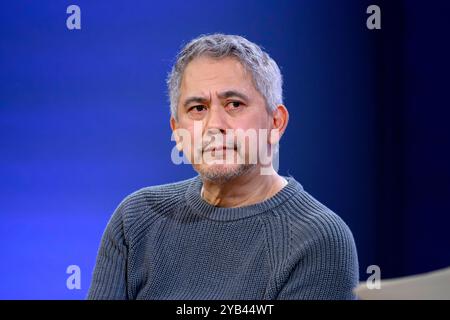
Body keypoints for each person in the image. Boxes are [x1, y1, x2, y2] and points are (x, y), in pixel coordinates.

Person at [87, 33, 359, 300]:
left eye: (234, 104)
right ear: (177, 131)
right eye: (198, 108)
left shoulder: (318, 239)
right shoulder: (137, 218)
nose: (214, 125)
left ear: (276, 122)